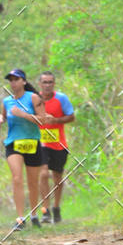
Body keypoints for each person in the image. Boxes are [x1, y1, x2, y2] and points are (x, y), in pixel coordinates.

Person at [0, 68, 49, 231]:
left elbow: (43, 120)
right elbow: (3, 115)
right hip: (13, 143)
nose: (13, 83)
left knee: (32, 182)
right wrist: (0, 120)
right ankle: (20, 219)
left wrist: (23, 115)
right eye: (10, 80)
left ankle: (34, 215)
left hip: (32, 142)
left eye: (16, 79)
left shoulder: (33, 98)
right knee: (17, 178)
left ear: (24, 81)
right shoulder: (7, 101)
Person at [37, 71, 75, 224]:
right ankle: (45, 210)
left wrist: (55, 120)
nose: (47, 85)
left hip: (59, 144)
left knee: (57, 177)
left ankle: (56, 208)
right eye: (44, 82)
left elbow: (71, 116)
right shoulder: (35, 99)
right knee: (43, 174)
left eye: (50, 82)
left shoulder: (61, 98)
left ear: (54, 84)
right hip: (41, 143)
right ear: (40, 84)